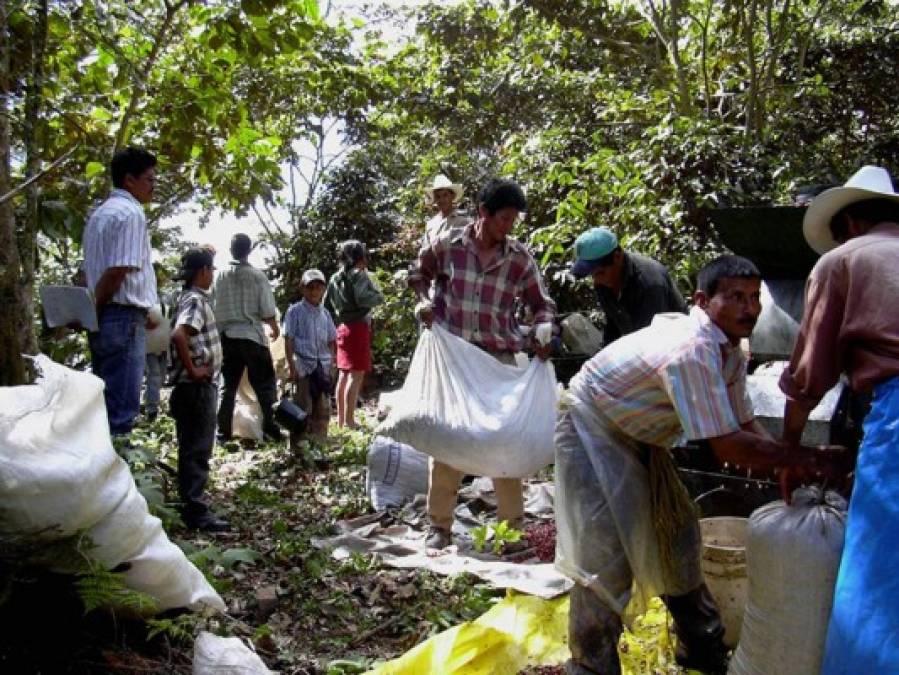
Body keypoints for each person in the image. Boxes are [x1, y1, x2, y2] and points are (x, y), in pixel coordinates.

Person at [555, 255, 846, 675]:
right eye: (735, 297)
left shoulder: (727, 351)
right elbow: (727, 446)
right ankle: (590, 666)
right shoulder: (693, 349)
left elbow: (744, 422)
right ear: (703, 300)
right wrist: (804, 457)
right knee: (605, 557)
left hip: (641, 437)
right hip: (590, 427)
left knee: (678, 539)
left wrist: (787, 464)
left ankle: (703, 649)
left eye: (754, 297)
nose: (750, 308)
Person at [779, 165, 899, 674]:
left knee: (876, 584)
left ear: (848, 224)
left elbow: (809, 377)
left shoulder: (843, 261)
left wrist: (789, 450)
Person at [409, 177, 557, 550]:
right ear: (483, 213)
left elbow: (542, 303)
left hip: (498, 359)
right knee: (449, 439)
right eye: (503, 218)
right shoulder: (448, 246)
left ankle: (512, 530)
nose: (509, 227)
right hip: (456, 358)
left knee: (504, 440)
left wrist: (543, 328)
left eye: (513, 221)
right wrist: (424, 302)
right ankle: (439, 525)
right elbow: (417, 274)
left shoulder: (519, 257)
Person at [83, 147, 158, 436]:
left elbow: (88, 272)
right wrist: (96, 308)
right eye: (149, 179)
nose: (153, 186)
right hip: (121, 318)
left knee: (105, 407)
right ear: (129, 180)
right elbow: (117, 271)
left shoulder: (99, 215)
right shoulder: (130, 213)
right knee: (121, 413)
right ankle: (115, 474)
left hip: (107, 319)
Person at [169, 248, 229, 532]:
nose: (212, 276)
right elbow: (180, 334)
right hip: (196, 386)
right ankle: (195, 511)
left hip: (192, 386)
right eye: (211, 270)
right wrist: (194, 370)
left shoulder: (185, 298)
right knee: (198, 448)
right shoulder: (194, 300)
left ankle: (190, 504)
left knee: (192, 446)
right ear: (203, 271)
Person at [214, 233, 281, 442]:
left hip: (227, 337)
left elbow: (213, 306)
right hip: (252, 335)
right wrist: (274, 327)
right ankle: (271, 429)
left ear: (231, 249)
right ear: (249, 250)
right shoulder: (257, 276)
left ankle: (222, 433)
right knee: (265, 385)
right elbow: (268, 310)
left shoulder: (220, 276)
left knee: (228, 386)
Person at [570, 226, 686, 347]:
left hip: (671, 347)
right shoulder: (604, 282)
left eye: (600, 273)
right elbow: (613, 328)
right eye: (592, 275)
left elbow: (653, 342)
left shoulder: (649, 284)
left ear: (617, 257)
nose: (596, 280)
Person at [324, 240, 384, 429]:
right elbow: (362, 297)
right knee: (356, 375)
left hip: (342, 327)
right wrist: (378, 297)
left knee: (343, 374)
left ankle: (341, 420)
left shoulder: (335, 278)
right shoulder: (358, 275)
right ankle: (350, 421)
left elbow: (326, 304)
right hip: (357, 327)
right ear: (359, 257)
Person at [283, 269, 337, 445]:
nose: (314, 291)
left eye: (318, 287)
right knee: (302, 407)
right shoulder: (295, 311)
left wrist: (331, 363)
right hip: (303, 364)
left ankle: (319, 443)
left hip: (322, 364)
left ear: (323, 290)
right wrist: (291, 365)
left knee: (322, 407)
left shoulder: (325, 313)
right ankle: (300, 446)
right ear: (302, 289)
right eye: (310, 287)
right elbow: (289, 339)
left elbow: (331, 340)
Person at [423, 174, 471, 248]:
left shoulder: (463, 221)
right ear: (435, 199)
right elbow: (425, 253)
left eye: (445, 195)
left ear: (452, 196)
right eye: (438, 196)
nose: (441, 200)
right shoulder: (431, 224)